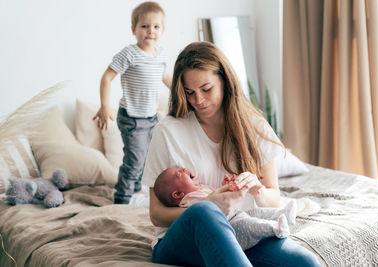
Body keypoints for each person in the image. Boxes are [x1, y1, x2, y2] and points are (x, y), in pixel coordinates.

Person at [141, 41, 321, 266]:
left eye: (206, 89)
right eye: (190, 93)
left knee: (305, 263)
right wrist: (210, 206)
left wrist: (258, 190)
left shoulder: (255, 126)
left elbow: (274, 198)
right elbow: (156, 214)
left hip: (241, 233)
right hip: (181, 240)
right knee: (204, 211)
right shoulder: (168, 131)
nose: (198, 100)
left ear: (225, 80)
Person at [92, 2, 172, 204]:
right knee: (134, 160)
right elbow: (106, 78)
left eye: (156, 27)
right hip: (132, 118)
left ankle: (136, 190)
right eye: (144, 26)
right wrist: (104, 106)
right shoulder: (129, 53)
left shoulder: (160, 54)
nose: (150, 31)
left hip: (152, 117)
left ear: (163, 30)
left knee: (146, 158)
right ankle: (121, 198)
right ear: (133, 30)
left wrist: (185, 94)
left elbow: (166, 79)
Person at [154, 167, 297, 250]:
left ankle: (283, 214)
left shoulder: (202, 188)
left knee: (255, 213)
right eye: (180, 173)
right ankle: (274, 228)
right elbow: (201, 210)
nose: (184, 169)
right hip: (230, 226)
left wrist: (225, 186)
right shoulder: (187, 200)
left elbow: (218, 197)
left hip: (234, 215)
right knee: (250, 225)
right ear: (178, 194)